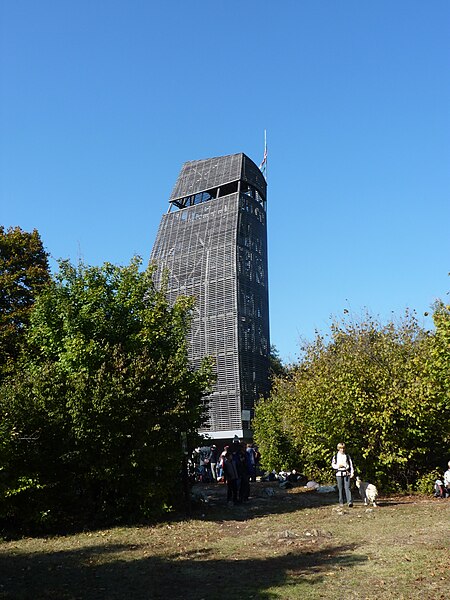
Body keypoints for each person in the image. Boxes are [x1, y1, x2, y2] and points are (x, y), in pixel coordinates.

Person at [332, 442, 354, 507]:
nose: (342, 450)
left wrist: (352, 472)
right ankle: (341, 501)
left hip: (346, 473)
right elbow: (333, 465)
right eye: (341, 448)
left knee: (347, 487)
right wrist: (338, 466)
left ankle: (349, 502)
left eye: (343, 448)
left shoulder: (347, 456)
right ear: (338, 449)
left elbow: (351, 465)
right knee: (340, 488)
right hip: (339, 473)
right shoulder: (336, 456)